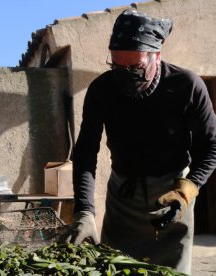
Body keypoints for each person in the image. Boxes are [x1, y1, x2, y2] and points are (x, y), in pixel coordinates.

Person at [60, 9, 216, 274]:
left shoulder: (186, 86)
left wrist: (187, 190)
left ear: (157, 55)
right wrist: (85, 210)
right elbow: (85, 152)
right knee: (115, 268)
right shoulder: (102, 90)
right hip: (123, 198)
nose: (126, 76)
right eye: (117, 67)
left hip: (172, 196)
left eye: (136, 68)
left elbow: (211, 147)